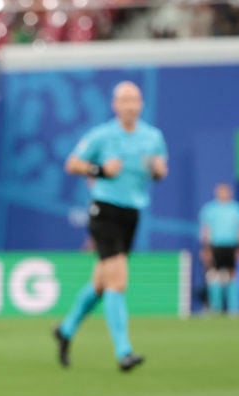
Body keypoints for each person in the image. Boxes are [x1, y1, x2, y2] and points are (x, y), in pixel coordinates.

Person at [53, 81, 168, 372]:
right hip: (104, 211)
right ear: (115, 105)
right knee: (118, 281)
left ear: (141, 104)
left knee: (101, 283)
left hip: (132, 213)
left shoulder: (152, 137)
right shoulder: (102, 135)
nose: (130, 105)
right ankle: (124, 352)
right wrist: (100, 170)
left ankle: (65, 330)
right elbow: (73, 164)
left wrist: (157, 171)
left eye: (135, 100)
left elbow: (160, 171)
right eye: (124, 100)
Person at [199, 182, 239, 316]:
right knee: (214, 274)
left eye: (226, 191)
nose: (223, 194)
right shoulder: (210, 209)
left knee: (231, 275)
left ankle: (234, 308)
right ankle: (215, 307)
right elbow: (206, 230)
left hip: (232, 245)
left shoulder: (237, 209)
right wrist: (206, 249)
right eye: (221, 191)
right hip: (215, 245)